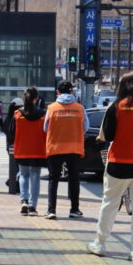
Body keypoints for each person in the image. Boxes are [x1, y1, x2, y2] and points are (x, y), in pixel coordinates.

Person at [86, 73, 133, 262]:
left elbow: (109, 135)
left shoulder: (116, 108)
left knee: (110, 203)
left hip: (119, 163)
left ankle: (100, 243)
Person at [44, 80, 89, 219]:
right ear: (71, 92)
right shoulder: (80, 108)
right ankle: (74, 210)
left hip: (55, 147)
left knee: (53, 179)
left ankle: (52, 211)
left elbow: (45, 128)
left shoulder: (51, 108)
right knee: (74, 179)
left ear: (58, 92)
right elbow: (86, 127)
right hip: (74, 148)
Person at [10, 87, 46, 216]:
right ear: (36, 99)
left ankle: (24, 200)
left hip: (22, 150)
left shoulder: (18, 114)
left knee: (23, 175)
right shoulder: (42, 114)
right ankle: (32, 207)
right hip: (38, 150)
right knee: (35, 178)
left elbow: (12, 133)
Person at [4, 98, 24, 194]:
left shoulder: (8, 117)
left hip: (10, 145)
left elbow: (5, 130)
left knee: (15, 167)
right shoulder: (18, 117)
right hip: (17, 145)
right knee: (19, 168)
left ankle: (13, 183)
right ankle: (15, 185)